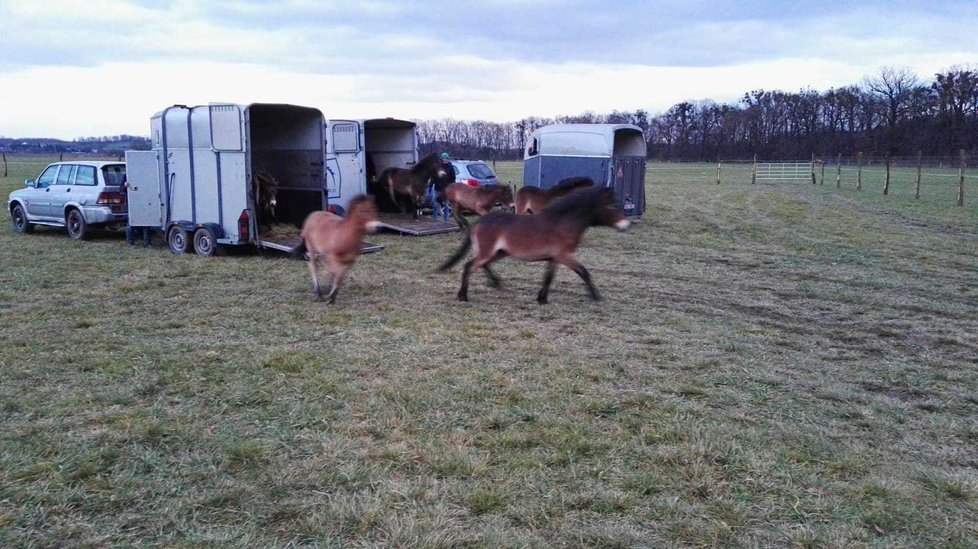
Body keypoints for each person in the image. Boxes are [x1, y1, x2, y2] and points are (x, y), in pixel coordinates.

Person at [121, 178, 152, 247]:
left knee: (146, 222)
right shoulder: (127, 174)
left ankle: (147, 242)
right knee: (131, 223)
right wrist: (125, 186)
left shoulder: (144, 175)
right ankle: (130, 242)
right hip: (132, 203)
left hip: (144, 202)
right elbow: (121, 189)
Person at [428, 152, 457, 222]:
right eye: (443, 159)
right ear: (441, 159)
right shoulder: (438, 167)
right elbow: (433, 177)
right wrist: (430, 186)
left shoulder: (451, 167)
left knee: (446, 206)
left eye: (446, 159)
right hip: (437, 189)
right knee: (435, 205)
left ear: (448, 159)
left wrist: (453, 188)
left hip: (446, 190)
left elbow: (453, 178)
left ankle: (446, 220)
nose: (445, 160)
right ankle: (434, 219)